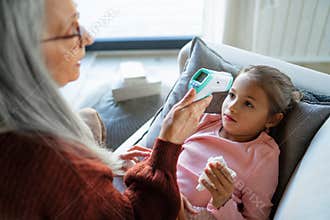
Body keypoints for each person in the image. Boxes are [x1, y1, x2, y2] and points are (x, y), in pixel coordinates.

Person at [0, 0, 213, 219]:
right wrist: (169, 142)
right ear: (24, 50)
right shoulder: (53, 163)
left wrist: (102, 161)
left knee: (89, 118)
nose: (87, 38)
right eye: (71, 28)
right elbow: (135, 215)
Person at [176, 65, 302, 220]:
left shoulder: (262, 156)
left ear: (272, 119)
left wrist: (223, 201)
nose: (232, 106)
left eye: (248, 104)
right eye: (232, 95)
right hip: (160, 192)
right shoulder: (204, 122)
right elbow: (167, 153)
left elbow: (256, 217)